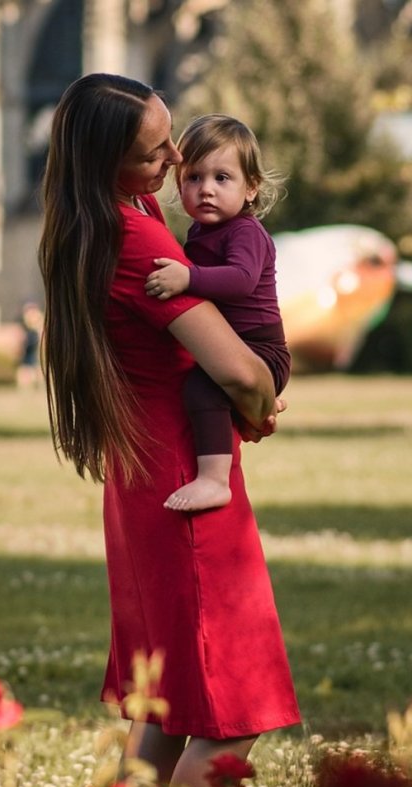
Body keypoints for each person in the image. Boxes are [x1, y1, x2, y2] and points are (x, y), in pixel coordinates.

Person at [38, 74, 300, 787]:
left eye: (171, 136)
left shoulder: (94, 219)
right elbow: (238, 368)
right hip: (187, 477)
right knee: (232, 709)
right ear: (107, 166)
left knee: (165, 703)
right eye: (156, 153)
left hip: (139, 478)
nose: (177, 159)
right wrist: (259, 403)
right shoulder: (139, 237)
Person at [145, 114, 291, 511]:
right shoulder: (201, 232)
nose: (206, 190)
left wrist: (187, 278)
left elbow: (241, 280)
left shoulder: (245, 232)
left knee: (202, 387)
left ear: (251, 188)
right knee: (206, 385)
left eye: (222, 178)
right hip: (235, 345)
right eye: (193, 178)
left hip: (260, 349)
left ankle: (214, 480)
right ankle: (257, 407)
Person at [15, 301, 44, 389]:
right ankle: (27, 387)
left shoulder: (36, 323)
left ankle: (38, 386)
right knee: (25, 370)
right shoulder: (25, 325)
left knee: (34, 369)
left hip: (33, 350)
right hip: (28, 351)